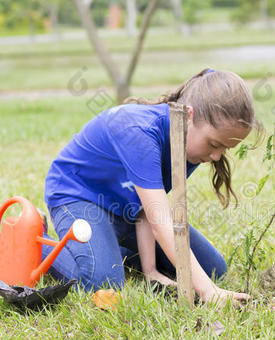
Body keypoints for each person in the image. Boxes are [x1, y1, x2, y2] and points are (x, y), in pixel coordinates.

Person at [42, 68, 259, 306]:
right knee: (104, 284)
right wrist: (208, 292)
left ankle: (107, 247)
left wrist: (151, 270)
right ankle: (40, 245)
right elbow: (162, 223)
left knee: (213, 269)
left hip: (125, 209)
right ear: (188, 115)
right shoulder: (141, 133)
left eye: (225, 149)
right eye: (214, 144)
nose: (217, 156)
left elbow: (146, 209)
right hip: (78, 197)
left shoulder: (189, 145)